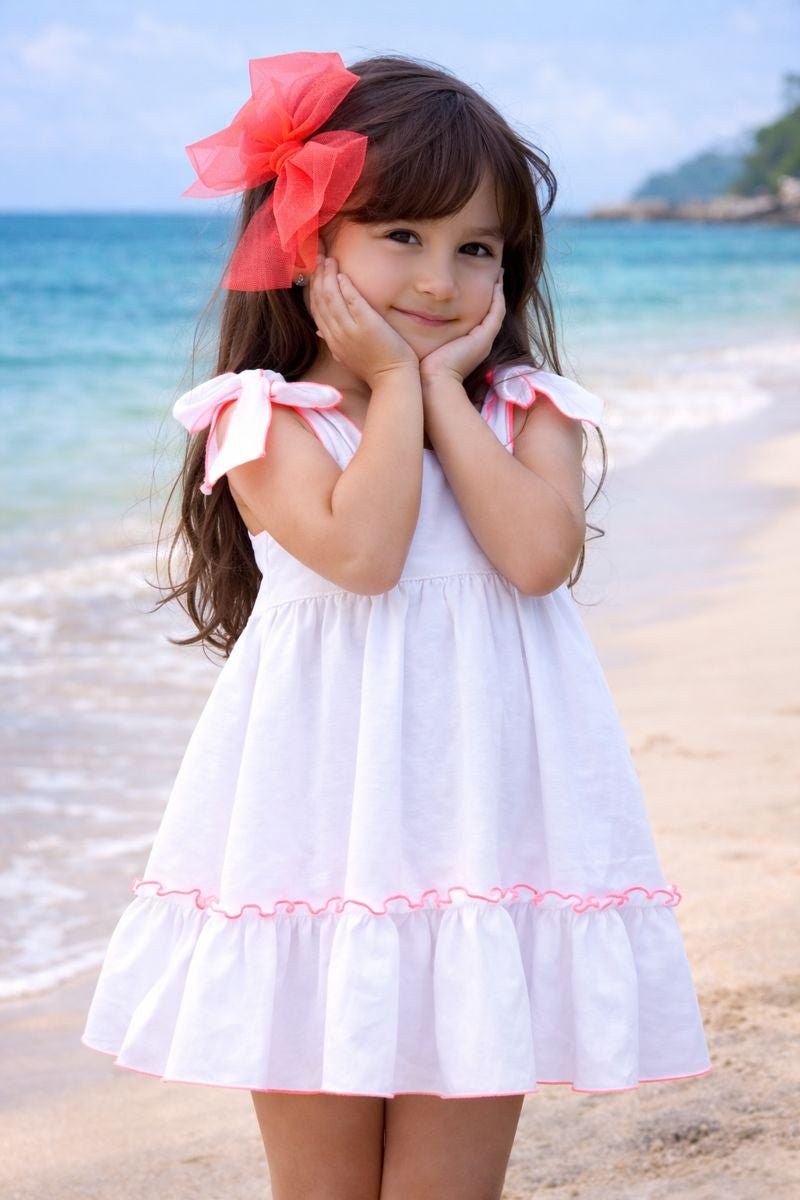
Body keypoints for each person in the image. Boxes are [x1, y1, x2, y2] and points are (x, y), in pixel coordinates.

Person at [81, 50, 712, 1200]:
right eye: (403, 238)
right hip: (316, 833)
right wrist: (381, 387)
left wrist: (432, 396)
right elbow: (364, 557)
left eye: (476, 248)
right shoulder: (261, 419)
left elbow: (532, 558)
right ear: (309, 244)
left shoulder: (528, 413)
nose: (439, 279)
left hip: (480, 835)